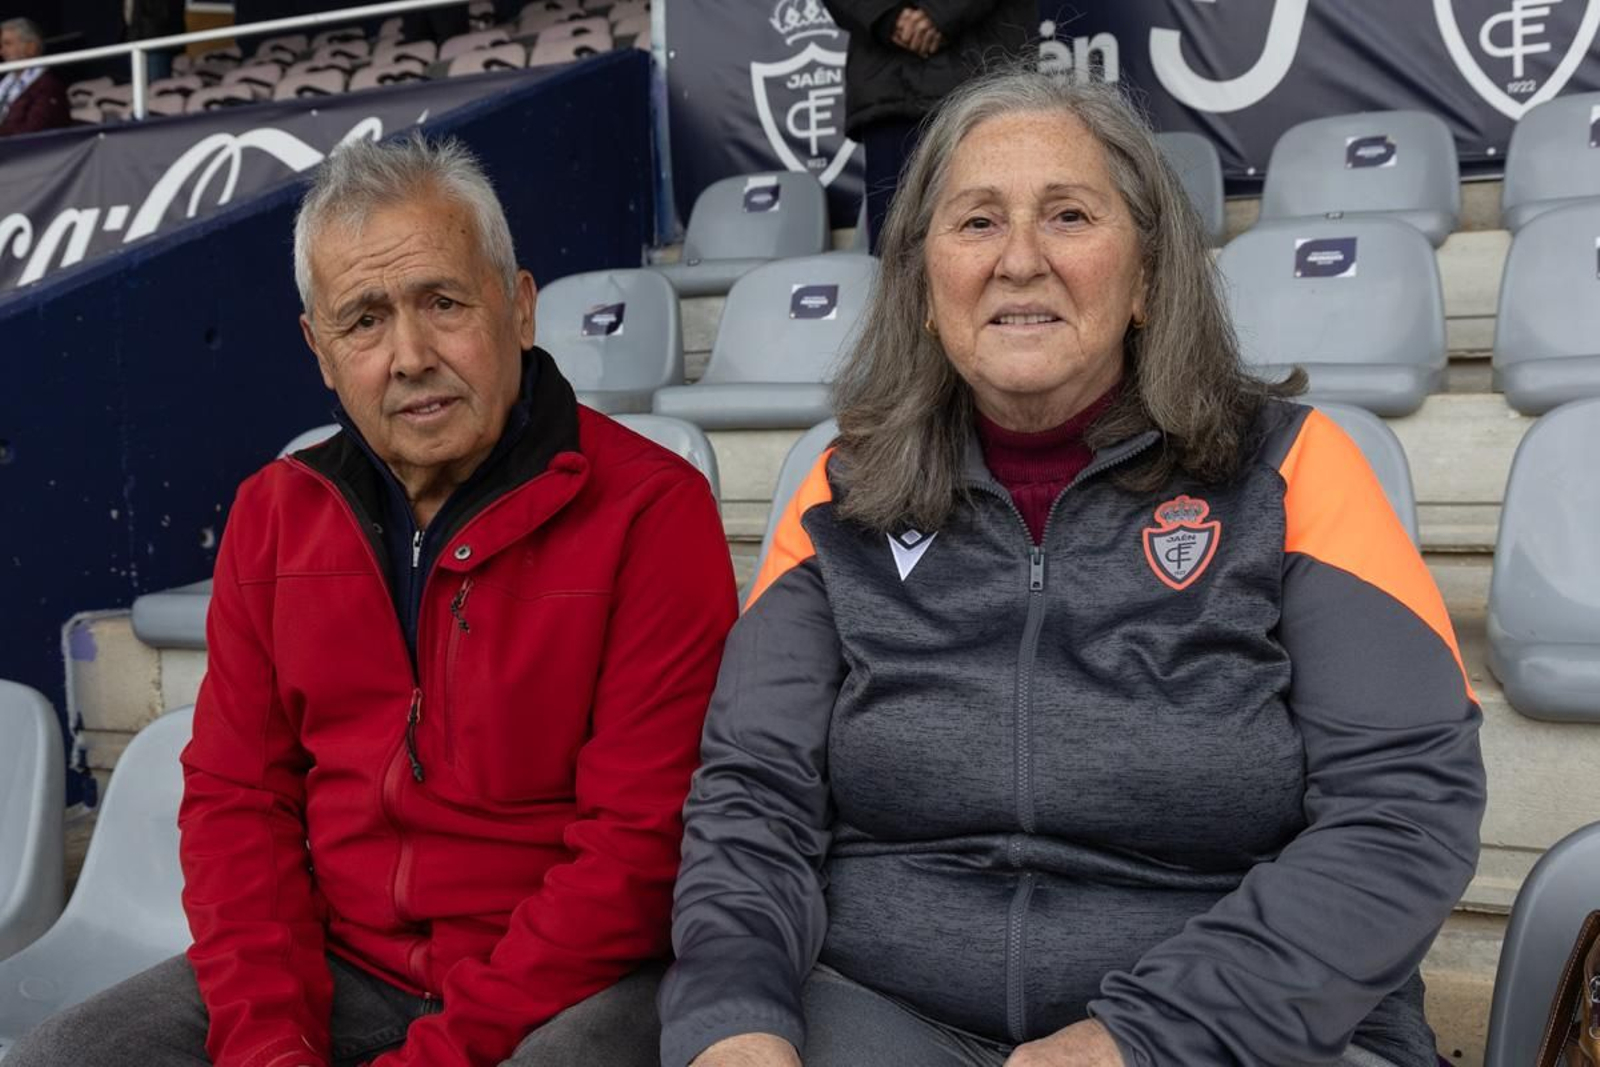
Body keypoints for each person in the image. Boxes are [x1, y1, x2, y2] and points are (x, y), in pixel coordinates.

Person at [659, 69, 1485, 1067]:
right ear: (924, 284)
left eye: (1068, 215)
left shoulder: (1295, 466)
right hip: (886, 1012)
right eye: (974, 223)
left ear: (1144, 276)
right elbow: (753, 795)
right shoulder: (841, 493)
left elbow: (1403, 811)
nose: (1019, 261)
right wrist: (736, 1019)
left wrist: (1142, 1036)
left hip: (1233, 1027)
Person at [9, 134, 739, 1067]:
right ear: (320, 351)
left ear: (517, 308)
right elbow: (240, 807)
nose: (410, 354)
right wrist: (271, 1045)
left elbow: (637, 852)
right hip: (344, 965)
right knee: (62, 1057)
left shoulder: (648, 506)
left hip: (571, 982)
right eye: (364, 320)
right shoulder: (274, 513)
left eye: (443, 302)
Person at [820, 0, 1033, 253]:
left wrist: (938, 12)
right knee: (895, 254)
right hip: (889, 93)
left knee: (997, 239)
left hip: (988, 81)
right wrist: (890, 17)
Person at [0, 18, 70, 137]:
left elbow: (31, 133)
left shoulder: (47, 86)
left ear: (31, 47)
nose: (2, 52)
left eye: (8, 44)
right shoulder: (6, 83)